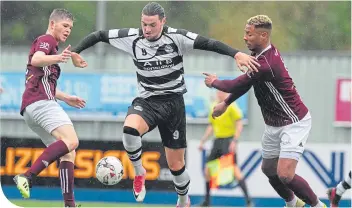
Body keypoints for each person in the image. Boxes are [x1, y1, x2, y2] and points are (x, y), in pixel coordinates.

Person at [71, 2, 259, 207]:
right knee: (129, 130)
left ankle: (182, 200)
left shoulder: (177, 37)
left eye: (152, 25)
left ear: (163, 22)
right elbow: (99, 34)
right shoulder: (132, 37)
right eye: (144, 24)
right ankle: (139, 172)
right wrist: (77, 51)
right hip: (147, 101)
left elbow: (209, 43)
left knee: (176, 166)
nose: (147, 29)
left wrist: (236, 54)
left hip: (173, 104)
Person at [203, 15, 327, 207]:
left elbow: (236, 83)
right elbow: (247, 84)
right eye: (245, 33)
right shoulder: (256, 57)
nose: (244, 37)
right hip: (273, 125)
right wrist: (226, 103)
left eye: (249, 34)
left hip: (294, 122)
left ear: (263, 35)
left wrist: (215, 82)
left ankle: (318, 205)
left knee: (285, 174)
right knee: (269, 169)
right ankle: (293, 203)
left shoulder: (266, 63)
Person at [13, 8, 87, 207]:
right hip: (41, 103)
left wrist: (66, 97)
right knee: (71, 141)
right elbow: (36, 58)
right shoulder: (48, 40)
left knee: (67, 152)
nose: (68, 30)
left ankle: (69, 204)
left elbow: (41, 80)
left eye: (70, 27)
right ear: (53, 24)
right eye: (65, 26)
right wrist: (59, 57)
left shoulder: (51, 48)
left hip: (32, 108)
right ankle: (27, 176)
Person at [198, 90, 253, 207]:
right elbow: (211, 126)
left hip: (228, 140)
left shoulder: (231, 106)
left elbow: (239, 123)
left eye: (222, 92)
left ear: (227, 94)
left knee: (235, 170)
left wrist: (234, 140)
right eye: (218, 92)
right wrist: (202, 141)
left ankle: (249, 201)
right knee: (207, 170)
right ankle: (207, 202)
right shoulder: (213, 106)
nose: (220, 94)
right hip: (217, 141)